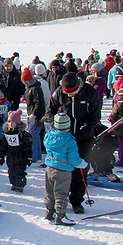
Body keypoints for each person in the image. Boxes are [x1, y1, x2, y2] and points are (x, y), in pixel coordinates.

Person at [43, 71, 100, 214]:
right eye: (67, 92)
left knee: (80, 169)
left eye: (72, 92)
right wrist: (56, 127)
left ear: (79, 86)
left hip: (84, 137)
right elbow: (50, 111)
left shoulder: (90, 92)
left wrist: (80, 134)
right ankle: (58, 200)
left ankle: (77, 200)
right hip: (63, 137)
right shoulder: (59, 93)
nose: (69, 95)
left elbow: (95, 118)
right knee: (60, 168)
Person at [43, 113, 88, 226]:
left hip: (50, 168)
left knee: (49, 191)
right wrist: (82, 163)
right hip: (63, 170)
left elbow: (46, 146)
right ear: (68, 126)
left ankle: (49, 211)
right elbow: (73, 159)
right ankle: (61, 215)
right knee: (61, 193)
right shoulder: (70, 141)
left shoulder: (49, 136)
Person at [0, 110, 33, 192]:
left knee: (19, 171)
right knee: (11, 171)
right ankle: (14, 183)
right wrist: (1, 155)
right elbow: (3, 145)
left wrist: (28, 157)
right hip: (10, 157)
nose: (11, 124)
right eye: (9, 122)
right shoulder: (6, 134)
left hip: (21, 156)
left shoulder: (23, 134)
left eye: (13, 122)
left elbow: (27, 146)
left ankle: (20, 185)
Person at [22, 67, 46, 163]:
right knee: (36, 136)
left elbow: (39, 103)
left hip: (37, 116)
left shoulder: (36, 88)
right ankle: (37, 155)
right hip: (31, 114)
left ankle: (33, 156)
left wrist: (34, 115)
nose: (24, 83)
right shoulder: (29, 88)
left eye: (25, 81)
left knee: (33, 136)